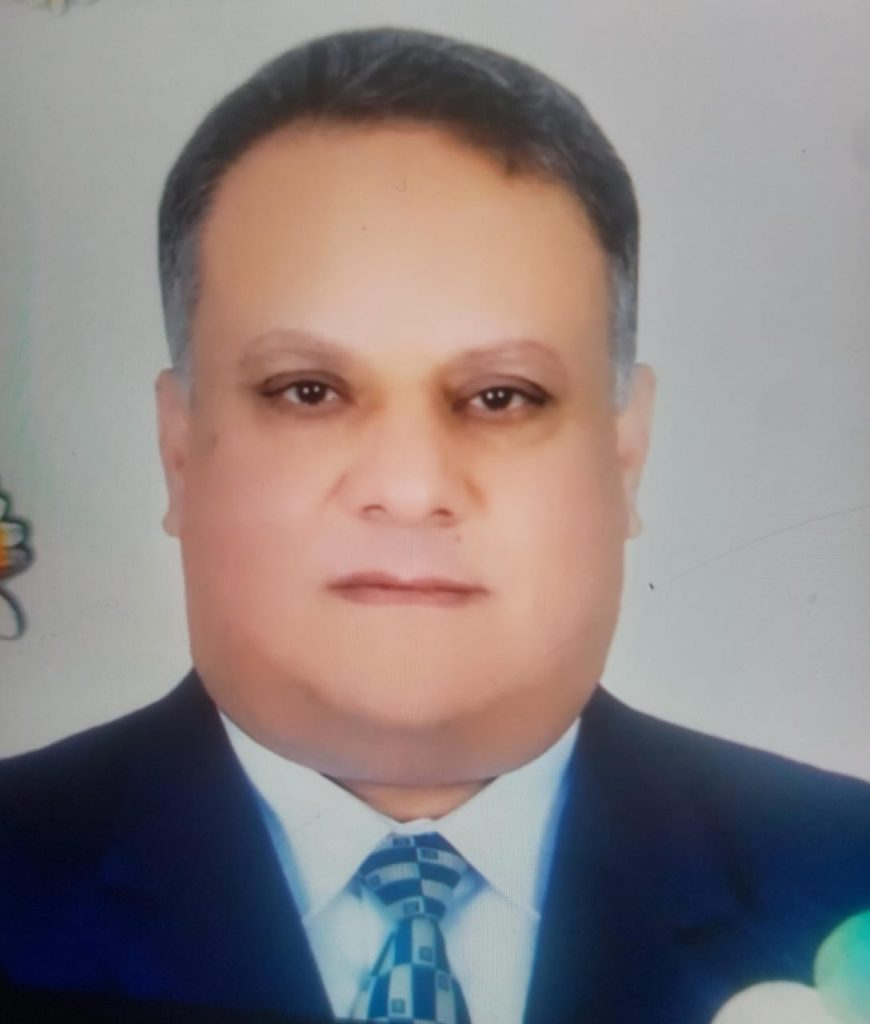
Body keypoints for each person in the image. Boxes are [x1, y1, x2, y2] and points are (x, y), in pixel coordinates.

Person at [1, 26, 868, 1024]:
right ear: (180, 450)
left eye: (503, 396)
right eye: (309, 389)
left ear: (625, 455)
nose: (411, 488)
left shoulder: (847, 872)